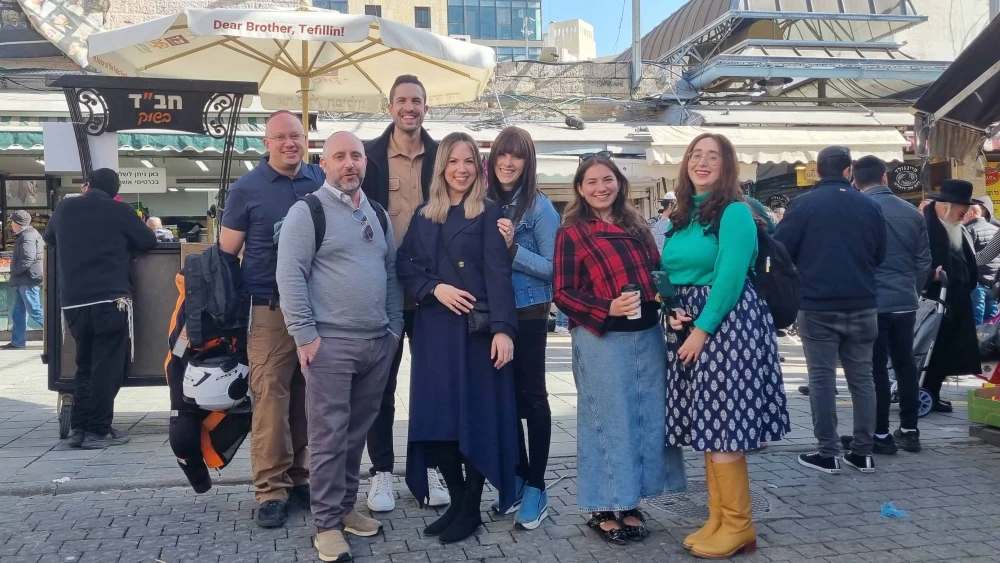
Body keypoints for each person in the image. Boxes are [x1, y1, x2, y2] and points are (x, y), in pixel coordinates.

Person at [276, 132, 403, 562]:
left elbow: (391, 275)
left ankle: (345, 508)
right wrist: (305, 335)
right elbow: (290, 275)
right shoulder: (307, 211)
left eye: (356, 156)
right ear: (324, 164)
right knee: (328, 438)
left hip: (376, 343)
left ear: (365, 163)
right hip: (329, 345)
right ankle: (327, 525)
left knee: (355, 434)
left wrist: (394, 330)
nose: (349, 164)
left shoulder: (377, 213)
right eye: (340, 157)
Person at [662, 133, 789, 559]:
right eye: (695, 155)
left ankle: (738, 525)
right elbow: (673, 273)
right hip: (694, 323)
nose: (701, 163)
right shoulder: (683, 214)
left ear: (727, 165)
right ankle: (719, 518)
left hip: (728, 325)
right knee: (710, 424)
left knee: (725, 425)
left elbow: (731, 276)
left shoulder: (735, 211)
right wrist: (672, 309)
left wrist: (702, 329)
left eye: (712, 157)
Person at [554, 155, 685, 547]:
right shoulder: (572, 232)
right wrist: (606, 307)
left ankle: (629, 502)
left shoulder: (637, 225)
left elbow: (658, 275)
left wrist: (672, 305)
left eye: (607, 179)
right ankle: (601, 507)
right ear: (580, 189)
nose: (601, 188)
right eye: (592, 182)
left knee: (645, 419)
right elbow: (562, 292)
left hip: (648, 336)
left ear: (619, 182)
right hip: (601, 339)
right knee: (605, 421)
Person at [396, 132, 518, 544]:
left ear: (478, 168)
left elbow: (499, 275)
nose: (461, 169)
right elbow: (405, 264)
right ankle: (459, 502)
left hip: (474, 334)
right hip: (434, 332)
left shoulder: (489, 212)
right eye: (453, 161)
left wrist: (503, 329)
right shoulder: (424, 215)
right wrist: (435, 288)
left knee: (474, 420)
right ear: (441, 167)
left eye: (469, 161)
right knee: (438, 421)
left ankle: (470, 510)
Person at [219, 110, 326, 528]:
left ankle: (301, 477)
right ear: (266, 143)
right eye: (280, 137)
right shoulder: (247, 188)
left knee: (308, 400)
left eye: (296, 136)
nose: (289, 143)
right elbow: (226, 254)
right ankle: (270, 490)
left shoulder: (320, 179)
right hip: (269, 310)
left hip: (317, 310)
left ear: (305, 140)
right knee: (270, 403)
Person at [360, 74, 448, 512]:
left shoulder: (444, 155)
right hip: (384, 290)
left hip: (434, 291)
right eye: (402, 100)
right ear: (390, 107)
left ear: (426, 108)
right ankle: (381, 472)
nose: (409, 107)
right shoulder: (368, 157)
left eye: (416, 100)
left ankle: (430, 467)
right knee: (380, 385)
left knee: (432, 385)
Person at [775, 146, 885, 475]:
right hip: (863, 302)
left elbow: (781, 251)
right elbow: (880, 253)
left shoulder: (803, 204)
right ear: (848, 171)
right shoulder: (869, 205)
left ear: (818, 170)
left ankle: (828, 453)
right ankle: (863, 453)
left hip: (818, 304)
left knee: (822, 379)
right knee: (862, 379)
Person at [43, 168, 157, 449]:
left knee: (84, 365)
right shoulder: (120, 211)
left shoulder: (65, 208)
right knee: (107, 368)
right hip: (110, 301)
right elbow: (148, 241)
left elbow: (50, 238)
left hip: (74, 303)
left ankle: (78, 429)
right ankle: (97, 431)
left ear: (87, 185)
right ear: (115, 192)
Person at [486, 126, 560, 529]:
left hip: (529, 312)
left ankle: (536, 485)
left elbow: (553, 269)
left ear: (528, 162)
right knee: (507, 400)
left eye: (517, 156)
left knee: (533, 397)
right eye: (502, 154)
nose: (508, 162)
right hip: (494, 313)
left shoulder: (539, 207)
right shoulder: (484, 201)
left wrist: (513, 249)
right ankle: (515, 477)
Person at [856, 156, 931, 454]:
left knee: (875, 367)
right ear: (885, 178)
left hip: (872, 302)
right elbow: (923, 261)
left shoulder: (859, 210)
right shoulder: (911, 212)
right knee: (905, 364)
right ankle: (910, 430)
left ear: (855, 182)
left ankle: (881, 433)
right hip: (905, 302)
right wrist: (913, 290)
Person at [922, 180, 981, 413]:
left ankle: (933, 392)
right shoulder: (924, 227)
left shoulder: (956, 227)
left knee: (946, 353)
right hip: (932, 301)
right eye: (961, 212)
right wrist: (929, 276)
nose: (963, 217)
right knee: (928, 352)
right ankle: (923, 392)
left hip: (956, 301)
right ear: (946, 207)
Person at [3, 211, 44, 351]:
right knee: (18, 312)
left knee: (34, 310)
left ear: (18, 224)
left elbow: (28, 259)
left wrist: (14, 270)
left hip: (28, 279)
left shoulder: (28, 236)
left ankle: (61, 334)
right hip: (23, 278)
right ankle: (17, 342)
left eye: (12, 222)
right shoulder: (26, 235)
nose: (11, 225)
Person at [964, 200, 999, 325]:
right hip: (992, 280)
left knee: (977, 319)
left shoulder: (969, 230)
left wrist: (960, 262)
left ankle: (979, 337)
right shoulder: (995, 228)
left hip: (979, 281)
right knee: (992, 319)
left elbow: (984, 257)